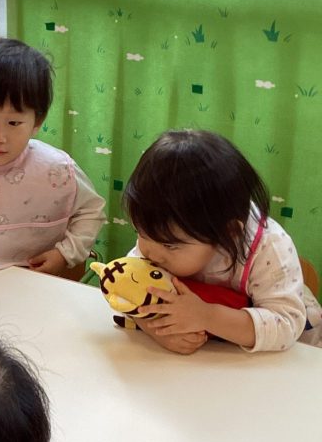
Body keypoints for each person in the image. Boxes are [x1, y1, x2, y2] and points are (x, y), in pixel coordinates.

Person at [123, 129, 322, 354]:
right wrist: (156, 330)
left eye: (170, 245)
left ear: (228, 234)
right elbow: (127, 288)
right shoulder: (158, 238)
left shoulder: (268, 247)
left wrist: (206, 316)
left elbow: (285, 325)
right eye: (141, 232)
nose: (150, 253)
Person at [0, 37, 105, 277]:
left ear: (37, 121)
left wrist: (65, 254)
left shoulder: (57, 169)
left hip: (46, 280)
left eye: (14, 123)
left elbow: (92, 211)